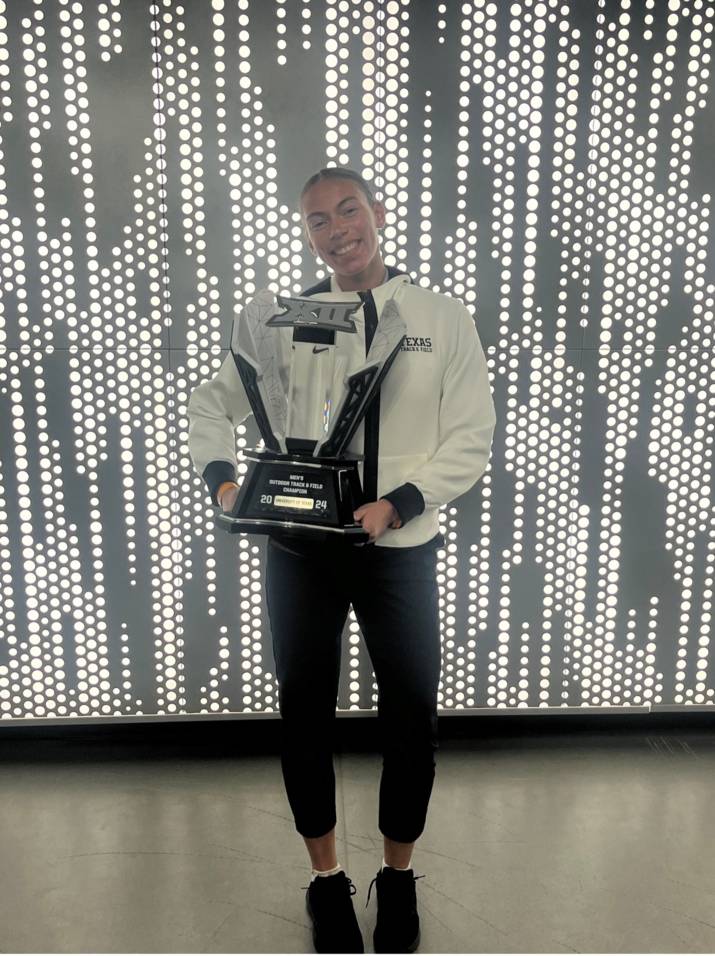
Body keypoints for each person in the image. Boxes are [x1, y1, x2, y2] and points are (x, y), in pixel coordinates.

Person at [187, 167, 496, 953]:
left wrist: (401, 502)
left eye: (347, 210)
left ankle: (398, 875)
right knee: (304, 714)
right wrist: (224, 481)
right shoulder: (285, 320)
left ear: (377, 212)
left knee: (411, 717)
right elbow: (214, 402)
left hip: (400, 552)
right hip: (300, 552)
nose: (337, 230)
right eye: (318, 220)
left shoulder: (438, 316)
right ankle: (326, 881)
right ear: (308, 234)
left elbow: (471, 434)